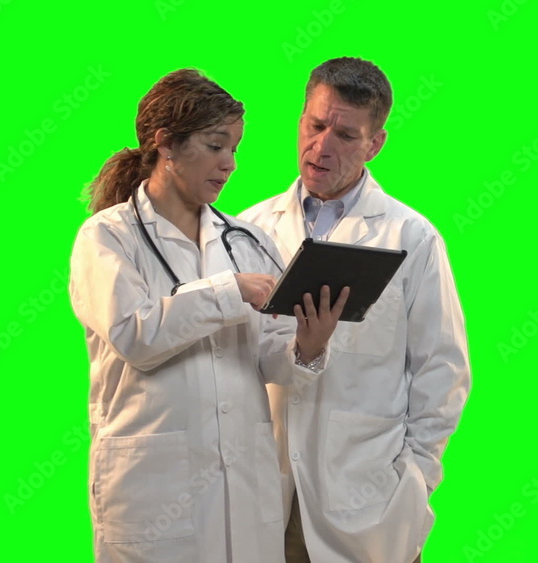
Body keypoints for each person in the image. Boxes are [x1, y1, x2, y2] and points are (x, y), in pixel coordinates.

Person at [69, 68, 348, 563]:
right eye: (216, 145)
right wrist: (228, 291)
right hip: (153, 490)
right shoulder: (108, 236)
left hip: (245, 486)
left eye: (235, 149)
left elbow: (272, 358)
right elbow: (135, 335)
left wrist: (310, 343)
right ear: (166, 144)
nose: (230, 164)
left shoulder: (248, 241)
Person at [239, 57, 471, 563]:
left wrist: (414, 479)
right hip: (265, 494)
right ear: (300, 119)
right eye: (315, 125)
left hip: (367, 501)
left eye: (345, 135)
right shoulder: (248, 230)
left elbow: (443, 368)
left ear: (375, 144)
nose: (322, 146)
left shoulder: (411, 237)